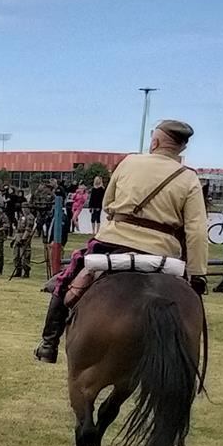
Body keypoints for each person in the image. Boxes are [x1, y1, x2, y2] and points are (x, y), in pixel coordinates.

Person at [33, 119, 208, 362]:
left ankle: (48, 343)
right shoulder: (189, 178)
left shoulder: (129, 162)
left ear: (155, 142)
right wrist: (197, 273)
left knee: (68, 280)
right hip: (163, 253)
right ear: (182, 149)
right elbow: (197, 229)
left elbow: (107, 205)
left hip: (112, 243)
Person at [10, 208, 36, 279]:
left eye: (25, 208)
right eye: (23, 208)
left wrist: (23, 239)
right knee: (16, 255)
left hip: (24, 238)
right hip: (18, 236)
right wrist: (14, 239)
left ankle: (26, 271)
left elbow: (28, 229)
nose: (24, 210)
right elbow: (18, 229)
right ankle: (18, 270)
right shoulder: (21, 216)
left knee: (24, 256)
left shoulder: (30, 217)